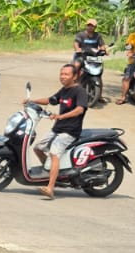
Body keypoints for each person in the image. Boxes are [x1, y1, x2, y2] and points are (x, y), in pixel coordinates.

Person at [28, 63, 90, 200]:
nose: (62, 76)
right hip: (57, 129)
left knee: (54, 153)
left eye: (66, 74)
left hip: (70, 131)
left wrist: (61, 116)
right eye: (61, 74)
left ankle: (50, 188)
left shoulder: (80, 91)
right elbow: (50, 100)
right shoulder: (64, 90)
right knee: (38, 148)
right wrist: (31, 101)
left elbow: (80, 109)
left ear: (75, 76)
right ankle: (51, 172)